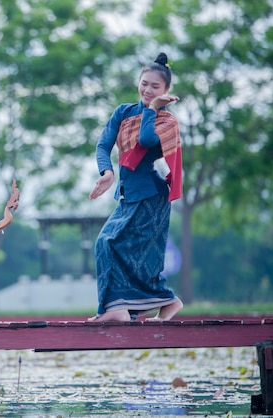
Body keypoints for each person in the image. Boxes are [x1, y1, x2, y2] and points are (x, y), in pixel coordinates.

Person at [88, 52, 184, 322]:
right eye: (144, 83)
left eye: (155, 86)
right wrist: (107, 172)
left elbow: (144, 139)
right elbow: (104, 145)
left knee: (110, 244)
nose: (147, 89)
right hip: (129, 195)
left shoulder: (167, 121)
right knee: (113, 248)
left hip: (151, 197)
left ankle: (123, 308)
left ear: (166, 90)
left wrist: (152, 109)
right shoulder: (123, 112)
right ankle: (152, 304)